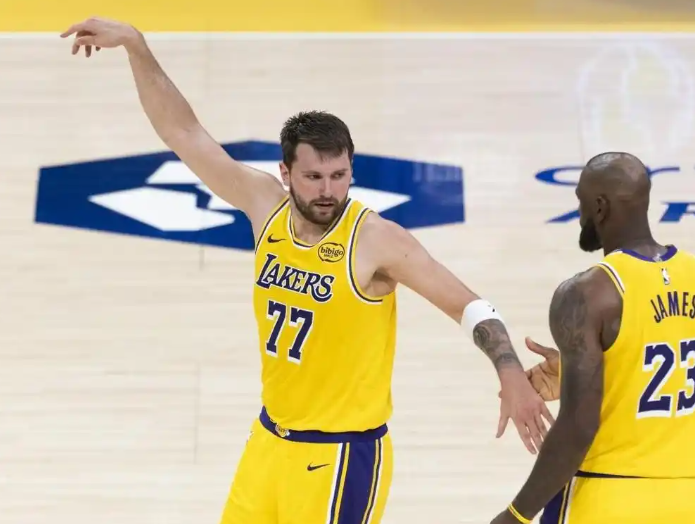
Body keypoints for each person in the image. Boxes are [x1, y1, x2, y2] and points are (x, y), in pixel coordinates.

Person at [60, 17, 554, 524]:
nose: (327, 191)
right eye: (314, 176)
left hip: (340, 456)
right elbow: (183, 133)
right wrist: (137, 46)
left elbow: (468, 305)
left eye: (339, 176)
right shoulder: (264, 205)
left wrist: (510, 373)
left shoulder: (375, 239)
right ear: (286, 173)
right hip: (268, 443)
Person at [491, 152, 695, 524]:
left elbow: (578, 427)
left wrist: (516, 514)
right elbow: (656, 366)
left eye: (581, 201)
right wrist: (577, 374)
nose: (579, 213)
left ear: (600, 207)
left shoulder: (589, 293)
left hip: (604, 497)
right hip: (684, 501)